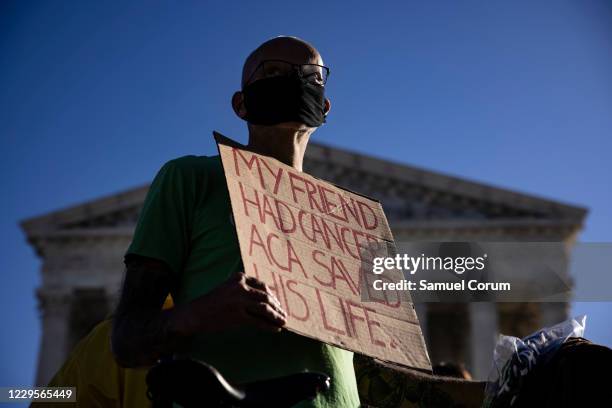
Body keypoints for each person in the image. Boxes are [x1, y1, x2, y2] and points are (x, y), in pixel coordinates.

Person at [111, 36, 361, 407]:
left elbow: (368, 365)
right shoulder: (191, 178)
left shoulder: (347, 217)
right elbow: (128, 341)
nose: (293, 83)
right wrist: (201, 314)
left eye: (310, 76)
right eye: (273, 72)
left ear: (324, 107)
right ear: (241, 104)